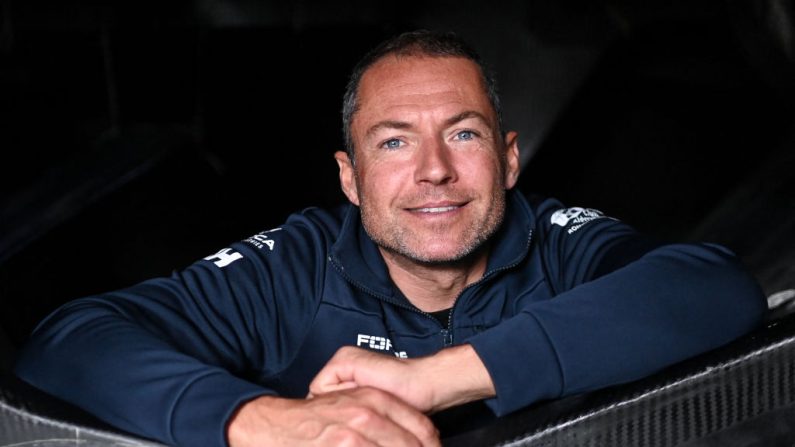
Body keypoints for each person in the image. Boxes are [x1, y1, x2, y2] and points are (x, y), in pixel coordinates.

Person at [14, 30, 767, 447]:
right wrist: (263, 421)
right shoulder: (295, 267)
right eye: (394, 143)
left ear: (507, 159)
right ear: (350, 177)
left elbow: (715, 287)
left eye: (462, 134)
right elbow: (67, 341)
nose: (434, 171)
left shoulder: (558, 242)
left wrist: (433, 377)